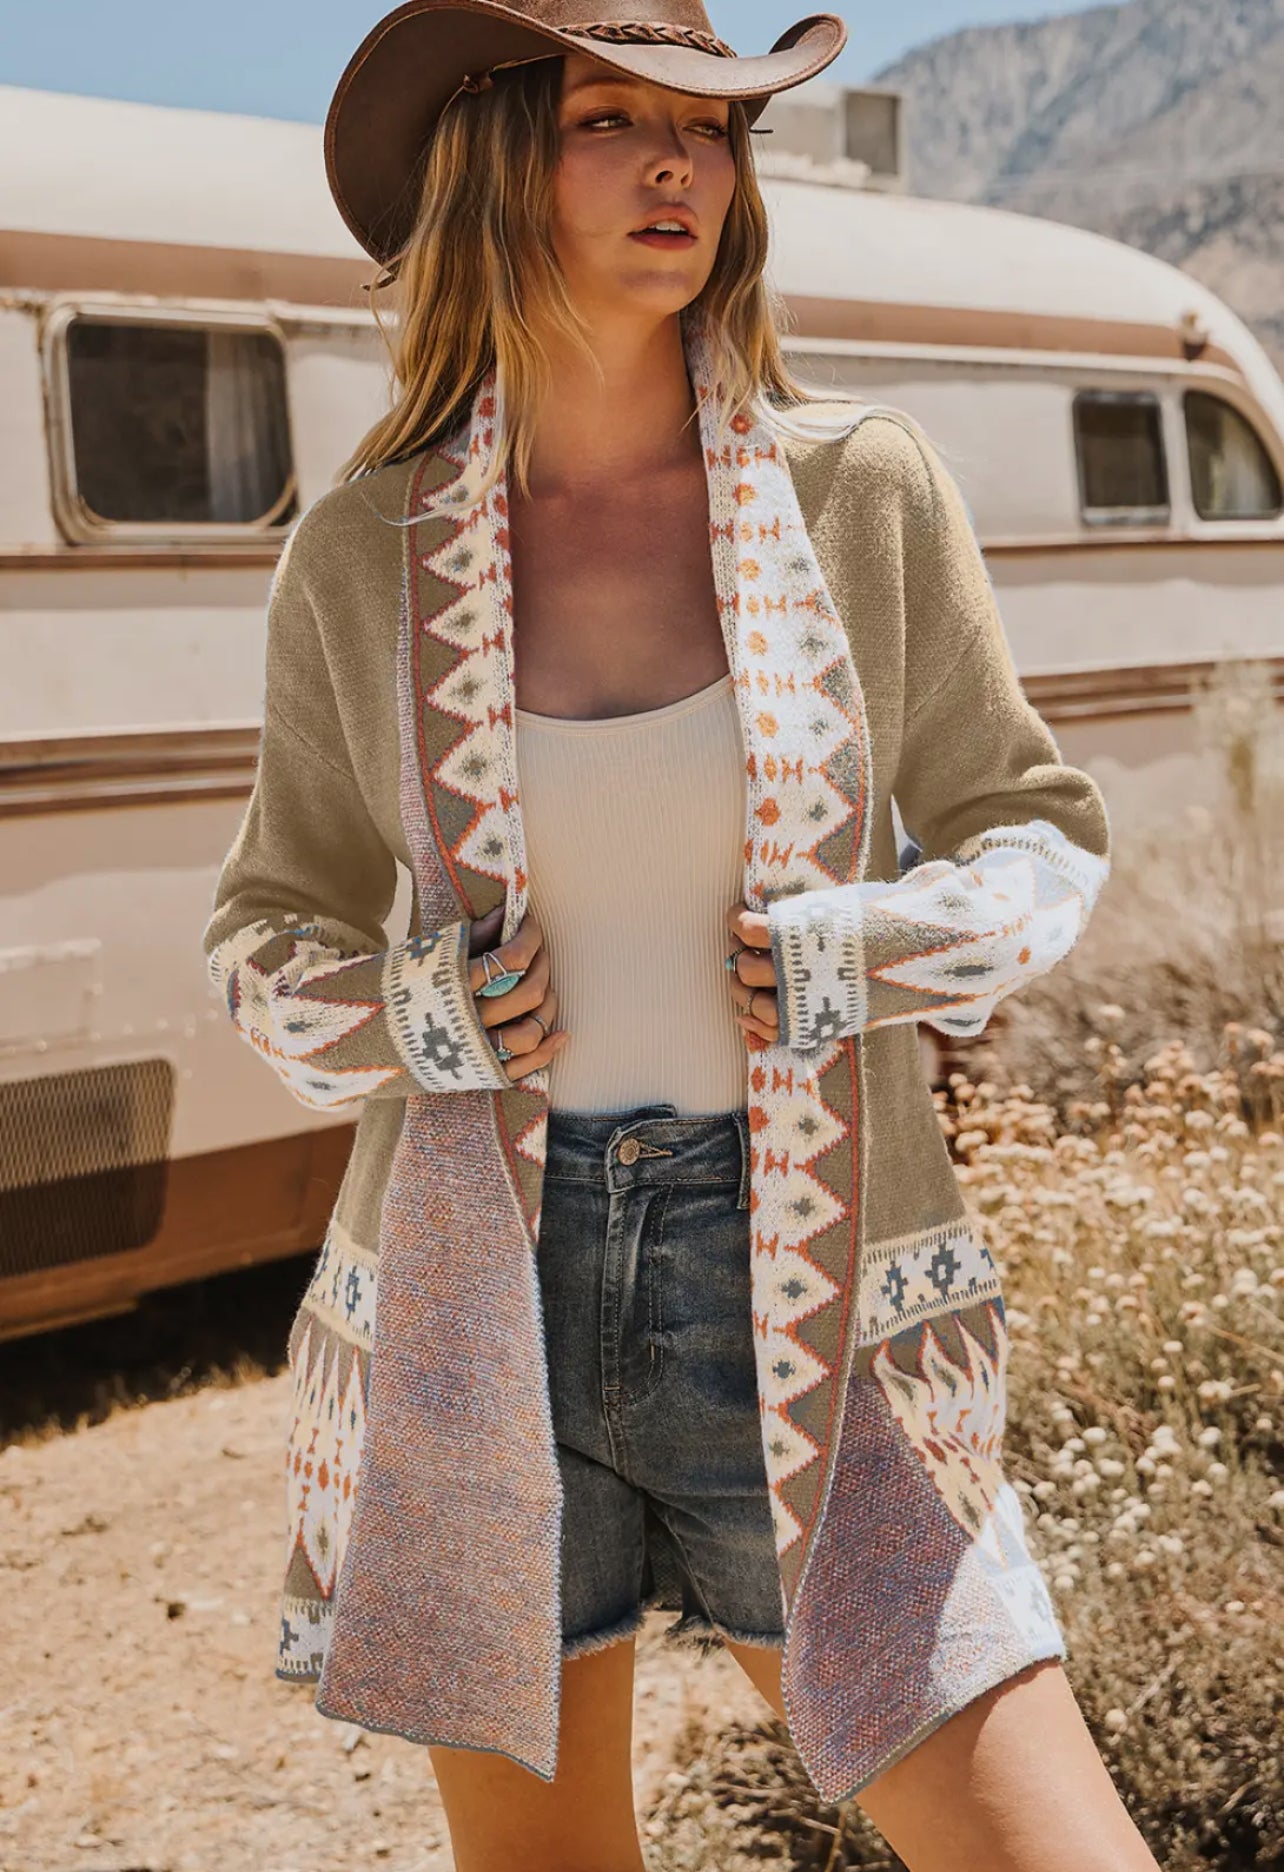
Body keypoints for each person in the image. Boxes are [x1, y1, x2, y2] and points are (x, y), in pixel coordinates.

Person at [203, 4, 1163, 1868]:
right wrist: (421, 1011)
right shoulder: (362, 551)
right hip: (481, 1297)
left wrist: (863, 950)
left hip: (810, 1280)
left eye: (709, 127)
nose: (677, 164)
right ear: (494, 160)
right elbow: (267, 925)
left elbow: (1039, 833)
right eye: (611, 119)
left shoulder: (860, 488)